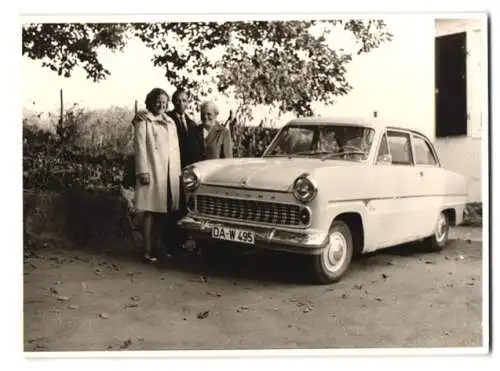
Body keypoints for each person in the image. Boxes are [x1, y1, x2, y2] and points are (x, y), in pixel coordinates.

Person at [133, 87, 182, 263]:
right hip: (152, 171)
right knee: (150, 212)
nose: (161, 105)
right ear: (150, 102)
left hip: (168, 173)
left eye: (164, 102)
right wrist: (142, 171)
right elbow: (140, 147)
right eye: (158, 101)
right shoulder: (144, 121)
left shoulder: (170, 122)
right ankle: (147, 249)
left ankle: (159, 246)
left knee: (163, 211)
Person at [166, 88, 205, 251]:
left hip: (187, 171)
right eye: (178, 100)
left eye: (184, 100)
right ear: (173, 102)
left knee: (184, 205)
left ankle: (181, 242)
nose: (181, 104)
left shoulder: (191, 123)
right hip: (172, 168)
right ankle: (169, 243)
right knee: (171, 205)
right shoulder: (167, 119)